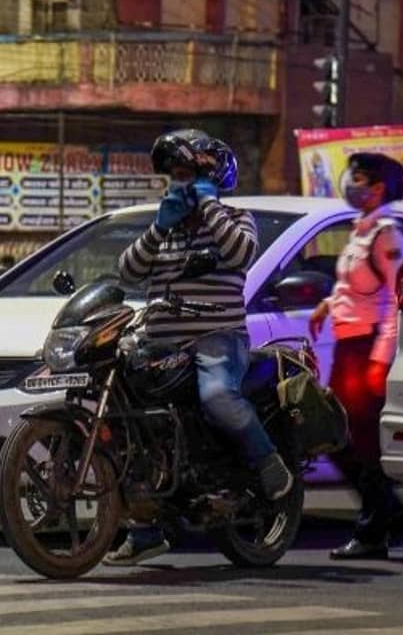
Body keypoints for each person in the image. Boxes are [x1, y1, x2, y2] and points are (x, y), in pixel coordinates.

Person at [105, 129, 294, 566]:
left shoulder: (235, 218)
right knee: (127, 416)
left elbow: (241, 254)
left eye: (187, 174)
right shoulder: (165, 228)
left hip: (217, 338)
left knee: (216, 397)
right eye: (173, 176)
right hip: (160, 342)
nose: (178, 183)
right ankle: (146, 528)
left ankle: (269, 465)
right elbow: (127, 272)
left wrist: (209, 206)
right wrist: (158, 227)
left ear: (211, 178)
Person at [309, 152, 403, 560]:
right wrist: (325, 305)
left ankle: (374, 530)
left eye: (358, 177)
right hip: (347, 345)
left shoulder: (387, 234)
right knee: (338, 436)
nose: (350, 183)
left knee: (357, 440)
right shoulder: (361, 230)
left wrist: (379, 359)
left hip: (366, 349)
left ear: (378, 188)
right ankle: (391, 512)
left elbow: (396, 299)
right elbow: (352, 287)